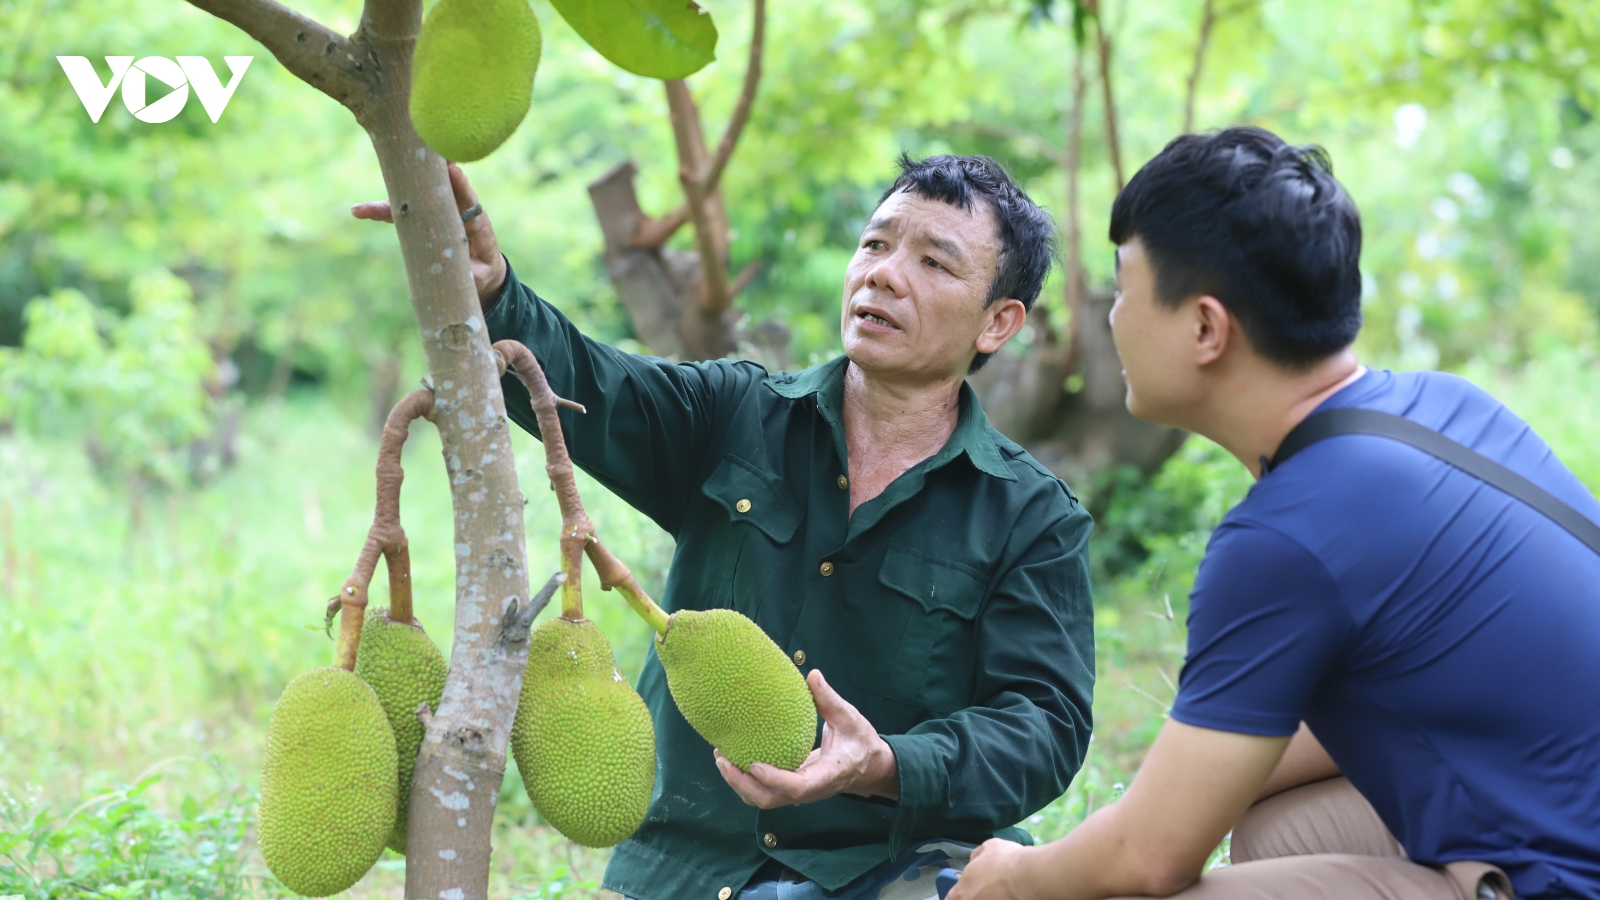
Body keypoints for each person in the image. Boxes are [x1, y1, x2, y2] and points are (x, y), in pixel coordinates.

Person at [355, 154, 1096, 900]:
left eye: (934, 262)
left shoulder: (1031, 517)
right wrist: (494, 293)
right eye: (875, 244)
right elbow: (590, 384)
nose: (884, 274)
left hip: (886, 868)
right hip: (688, 871)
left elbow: (1045, 725)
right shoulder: (734, 415)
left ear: (998, 322)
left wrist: (886, 764)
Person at [950, 126, 1600, 900]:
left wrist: (1020, 876)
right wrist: (1164, 800)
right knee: (1273, 825)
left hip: (1563, 878)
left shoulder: (1291, 534)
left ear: (1205, 328)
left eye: (1122, 289)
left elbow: (1150, 859)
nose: (1113, 318)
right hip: (1558, 808)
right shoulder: (1448, 406)